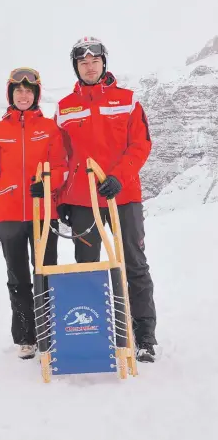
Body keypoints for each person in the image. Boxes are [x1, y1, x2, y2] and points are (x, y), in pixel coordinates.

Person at [55, 37, 157, 362]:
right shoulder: (65, 108)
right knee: (88, 267)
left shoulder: (127, 101)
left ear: (103, 63)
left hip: (123, 197)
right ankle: (97, 334)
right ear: (76, 67)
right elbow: (61, 158)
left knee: (134, 265)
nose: (89, 65)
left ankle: (144, 338)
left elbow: (140, 145)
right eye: (83, 62)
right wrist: (61, 200)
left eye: (94, 60)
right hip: (83, 204)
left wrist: (118, 177)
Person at [0, 67, 67, 360]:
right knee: (17, 277)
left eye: (29, 91)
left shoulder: (50, 129)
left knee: (46, 273)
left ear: (36, 95)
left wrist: (46, 184)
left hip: (43, 212)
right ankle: (26, 336)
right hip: (7, 215)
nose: (24, 95)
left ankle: (49, 332)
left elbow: (60, 167)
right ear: (11, 95)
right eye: (18, 91)